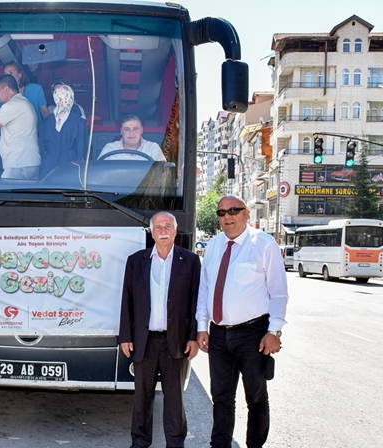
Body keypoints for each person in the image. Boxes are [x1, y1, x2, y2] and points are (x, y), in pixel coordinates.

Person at [196, 195, 288, 448]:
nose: (227, 217)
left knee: (255, 397)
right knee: (221, 397)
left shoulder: (264, 245)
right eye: (221, 213)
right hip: (218, 335)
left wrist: (274, 331)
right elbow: (205, 289)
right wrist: (202, 327)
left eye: (233, 210)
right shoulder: (213, 245)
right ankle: (220, 445)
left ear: (247, 213)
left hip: (253, 333)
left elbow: (278, 292)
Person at [119, 211, 201, 448]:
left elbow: (197, 300)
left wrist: (193, 337)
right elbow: (127, 300)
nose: (163, 230)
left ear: (175, 230)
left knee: (174, 398)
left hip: (176, 340)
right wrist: (126, 336)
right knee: (141, 398)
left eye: (168, 226)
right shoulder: (136, 261)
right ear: (151, 232)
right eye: (158, 226)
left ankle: (175, 443)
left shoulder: (191, 261)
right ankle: (140, 442)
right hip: (144, 340)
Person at [38, 84, 87, 179]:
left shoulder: (45, 122)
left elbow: (42, 149)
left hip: (48, 165)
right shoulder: (79, 122)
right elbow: (81, 149)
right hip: (71, 164)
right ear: (72, 98)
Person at [98, 115, 166, 161]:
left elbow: (164, 174)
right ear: (121, 131)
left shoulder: (152, 148)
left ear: (141, 130)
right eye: (127, 129)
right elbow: (99, 173)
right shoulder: (109, 148)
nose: (131, 133)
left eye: (135, 129)